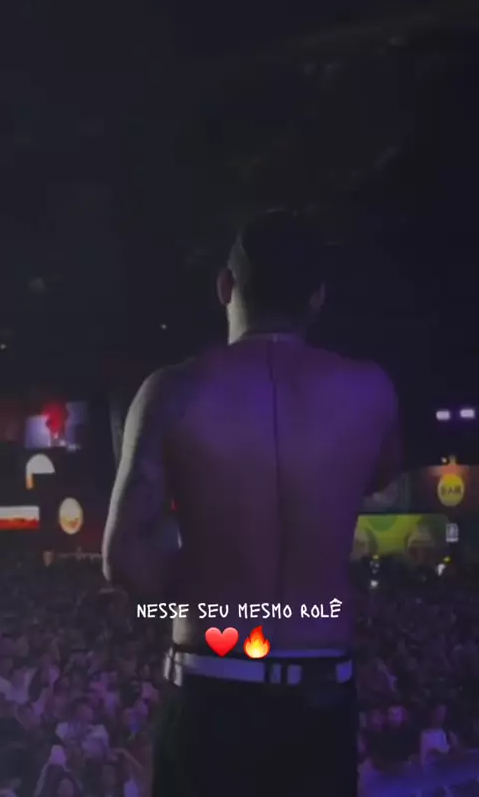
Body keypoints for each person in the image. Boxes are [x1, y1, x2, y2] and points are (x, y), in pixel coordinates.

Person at [102, 209, 401, 796]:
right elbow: (379, 476)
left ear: (225, 286)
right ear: (317, 297)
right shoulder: (371, 390)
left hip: (213, 683)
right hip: (321, 691)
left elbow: (125, 560)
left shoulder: (174, 390)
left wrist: (210, 585)